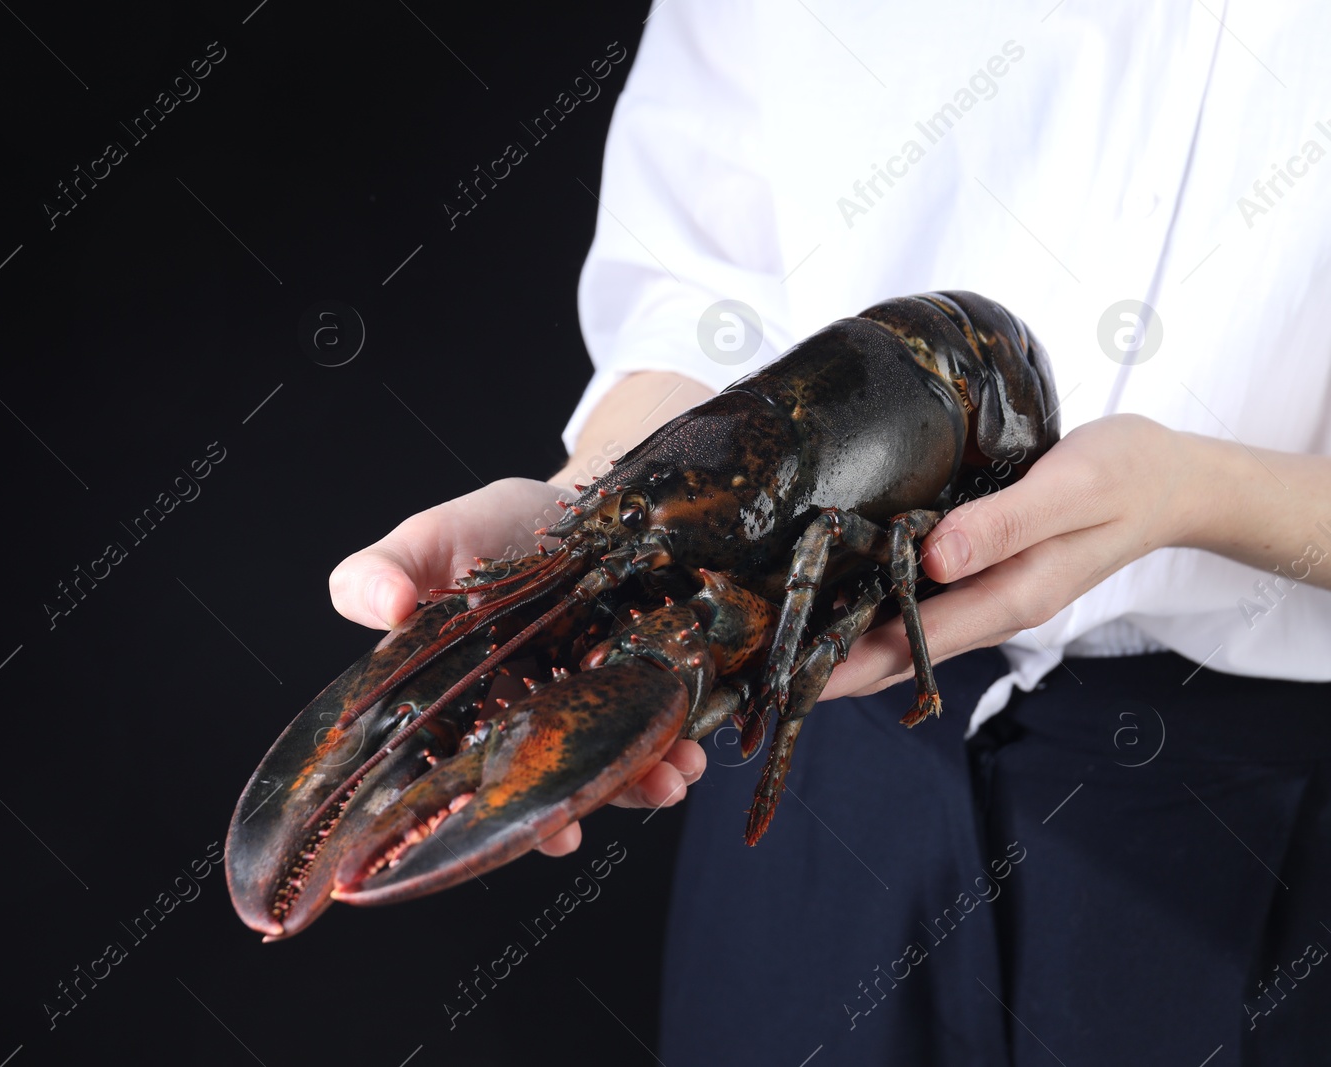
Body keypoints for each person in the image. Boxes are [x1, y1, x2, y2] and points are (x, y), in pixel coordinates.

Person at [332, 3, 1331, 1063]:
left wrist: (1191, 491)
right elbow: (705, 276)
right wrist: (590, 489)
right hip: (829, 781)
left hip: (1256, 831)